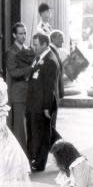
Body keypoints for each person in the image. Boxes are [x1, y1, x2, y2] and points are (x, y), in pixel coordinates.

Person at [26, 33, 62, 172]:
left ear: (44, 44)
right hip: (33, 104)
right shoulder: (40, 57)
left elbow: (50, 87)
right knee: (38, 133)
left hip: (42, 105)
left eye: (36, 45)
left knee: (43, 134)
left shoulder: (50, 61)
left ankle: (40, 163)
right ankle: (33, 159)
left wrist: (47, 107)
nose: (33, 47)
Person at [6, 22, 35, 154]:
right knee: (19, 127)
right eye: (20, 34)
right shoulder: (11, 52)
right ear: (14, 35)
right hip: (18, 92)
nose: (23, 36)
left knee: (29, 125)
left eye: (25, 33)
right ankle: (21, 157)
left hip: (29, 91)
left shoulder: (28, 49)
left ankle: (29, 154)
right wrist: (30, 68)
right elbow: (13, 72)